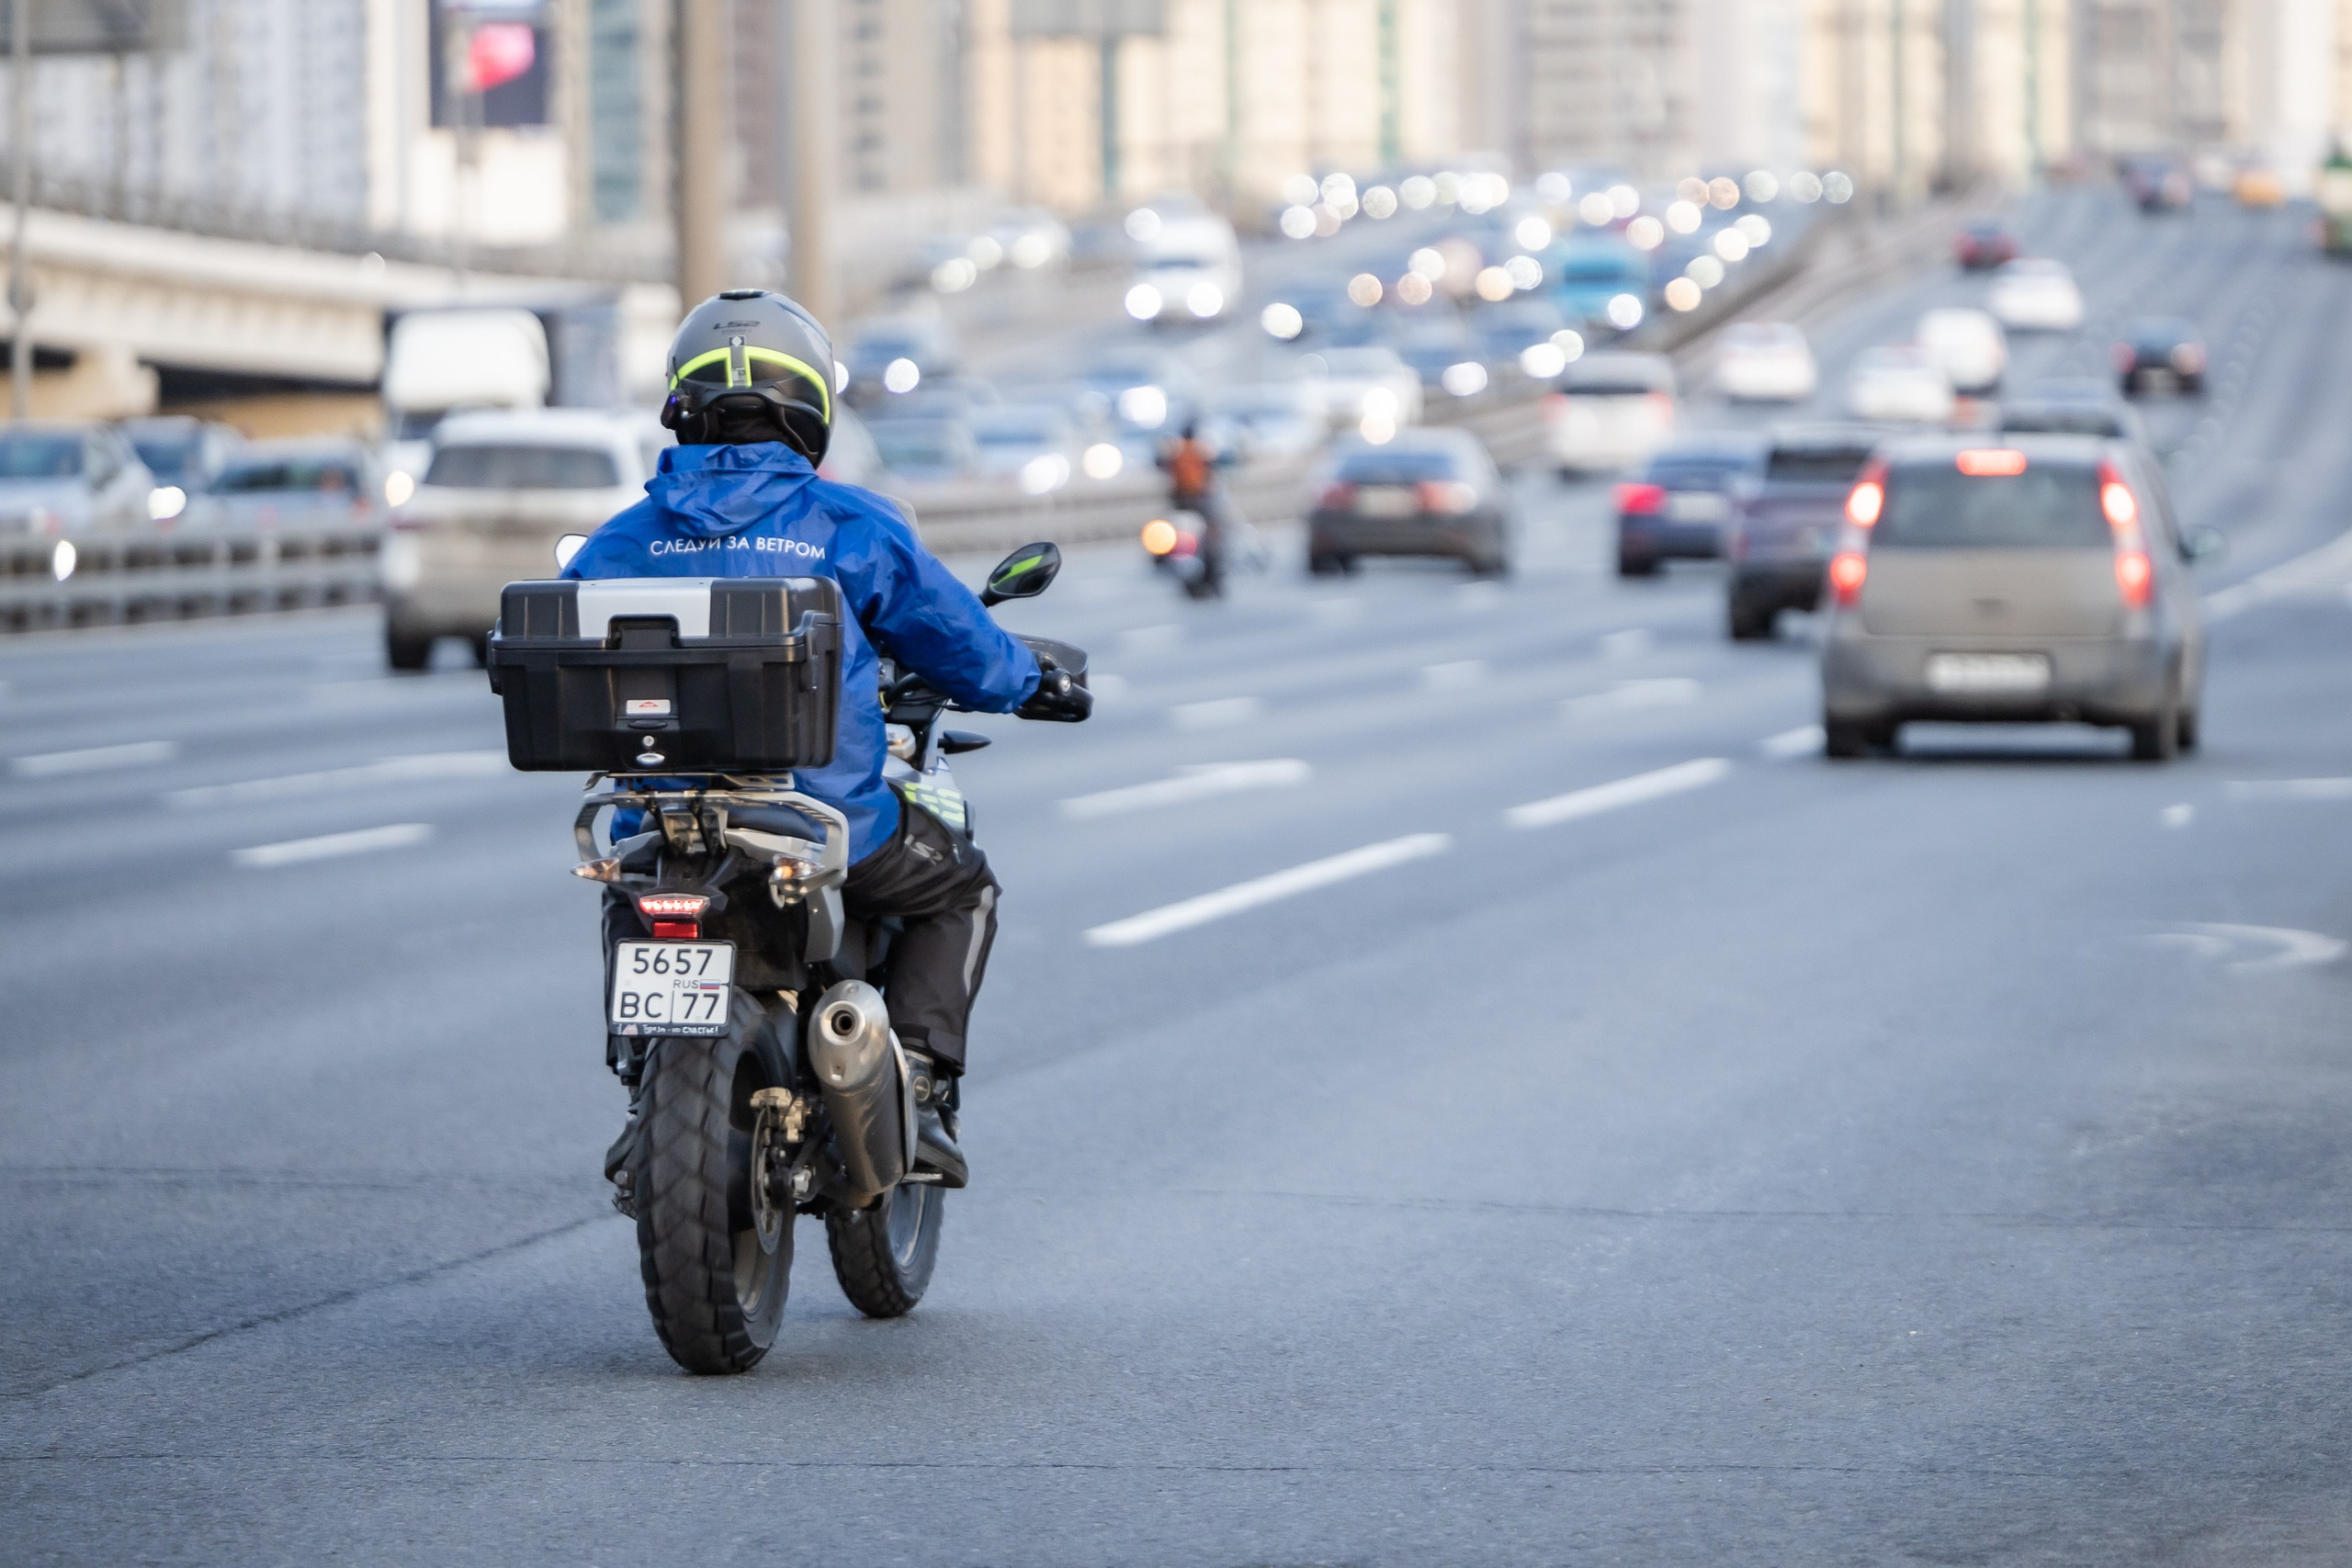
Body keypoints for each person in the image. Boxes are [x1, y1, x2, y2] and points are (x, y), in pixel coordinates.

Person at [564, 288, 1088, 1180]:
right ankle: (916, 1085)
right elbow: (963, 648)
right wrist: (1033, 678)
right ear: (809, 404)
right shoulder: (849, 525)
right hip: (819, 819)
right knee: (960, 890)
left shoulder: (616, 543)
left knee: (634, 890)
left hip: (655, 819)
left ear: (678, 403)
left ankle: (643, 1082)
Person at [1156, 420, 1226, 593]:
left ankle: (1161, 559)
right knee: (1213, 535)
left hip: (1179, 503)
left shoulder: (1175, 451)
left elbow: (1160, 465)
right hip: (1197, 503)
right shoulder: (1200, 451)